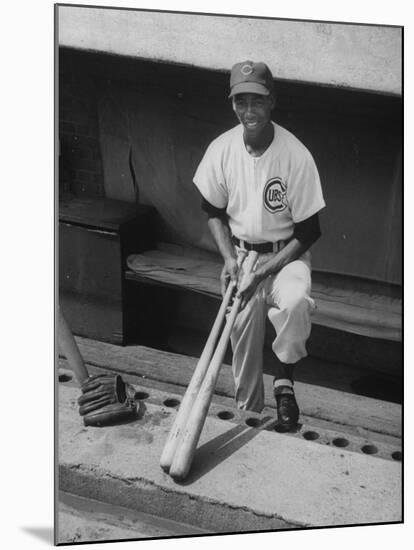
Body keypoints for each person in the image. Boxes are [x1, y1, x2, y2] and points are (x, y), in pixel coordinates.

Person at [193, 61, 326, 430]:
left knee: (296, 301)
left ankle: (284, 381)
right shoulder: (222, 149)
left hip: (287, 255)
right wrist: (229, 260)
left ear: (272, 102)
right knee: (241, 336)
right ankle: (249, 415)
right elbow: (213, 212)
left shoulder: (295, 155)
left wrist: (263, 271)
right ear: (233, 103)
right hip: (241, 256)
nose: (248, 111)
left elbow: (310, 231)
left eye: (257, 101)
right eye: (241, 101)